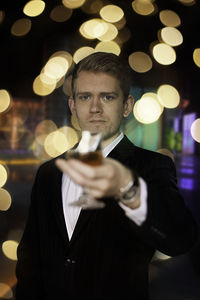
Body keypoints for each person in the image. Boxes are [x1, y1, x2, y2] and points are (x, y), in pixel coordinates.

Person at [16, 52, 198, 300]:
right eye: (85, 97)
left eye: (107, 97)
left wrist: (128, 188)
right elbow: (30, 257)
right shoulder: (49, 172)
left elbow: (179, 240)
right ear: (73, 105)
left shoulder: (153, 166)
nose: (94, 108)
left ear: (127, 106)